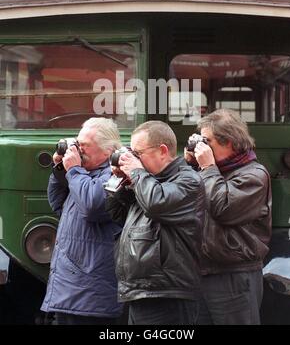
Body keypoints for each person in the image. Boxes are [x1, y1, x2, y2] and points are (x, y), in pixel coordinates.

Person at [106, 120, 205, 325]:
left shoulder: (188, 180)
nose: (134, 159)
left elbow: (156, 204)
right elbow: (116, 214)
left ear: (162, 150)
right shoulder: (149, 181)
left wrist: (137, 173)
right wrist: (121, 181)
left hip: (168, 293)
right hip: (143, 290)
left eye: (138, 153)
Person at [185, 109, 272, 325]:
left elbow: (222, 208)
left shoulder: (254, 175)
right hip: (202, 272)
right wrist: (189, 165)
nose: (203, 147)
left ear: (230, 141)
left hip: (234, 276)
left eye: (207, 141)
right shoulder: (209, 172)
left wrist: (207, 167)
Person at [41, 117, 123, 325]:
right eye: (78, 144)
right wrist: (60, 169)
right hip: (71, 288)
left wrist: (74, 170)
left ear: (108, 151)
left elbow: (93, 206)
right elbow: (58, 204)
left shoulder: (115, 174)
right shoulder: (84, 174)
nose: (79, 150)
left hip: (92, 294)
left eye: (85, 146)